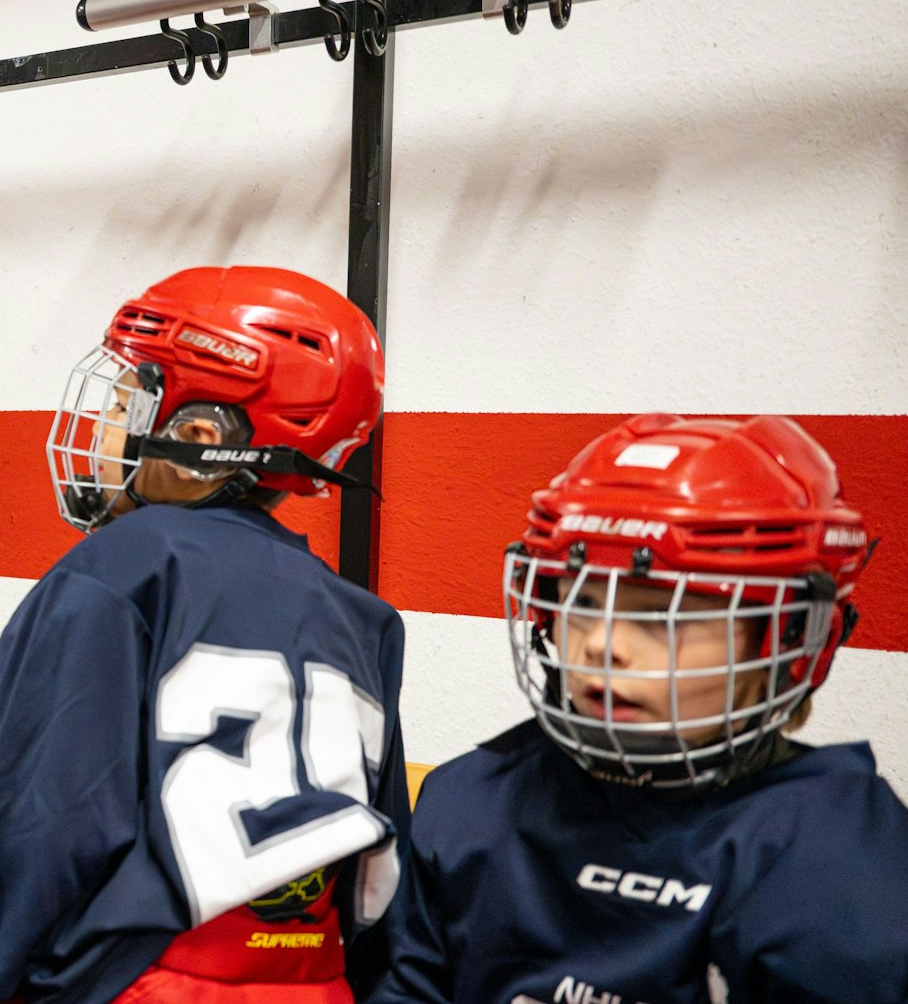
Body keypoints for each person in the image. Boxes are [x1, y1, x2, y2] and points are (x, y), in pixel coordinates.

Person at [0, 266, 412, 1004]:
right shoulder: (363, 616)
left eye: (132, 399)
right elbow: (379, 892)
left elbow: (37, 834)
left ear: (198, 437)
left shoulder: (114, 573)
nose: (105, 424)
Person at [371, 414, 908, 1004]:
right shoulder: (472, 802)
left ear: (788, 642)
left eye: (660, 614)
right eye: (582, 602)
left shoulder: (839, 864)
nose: (601, 644)